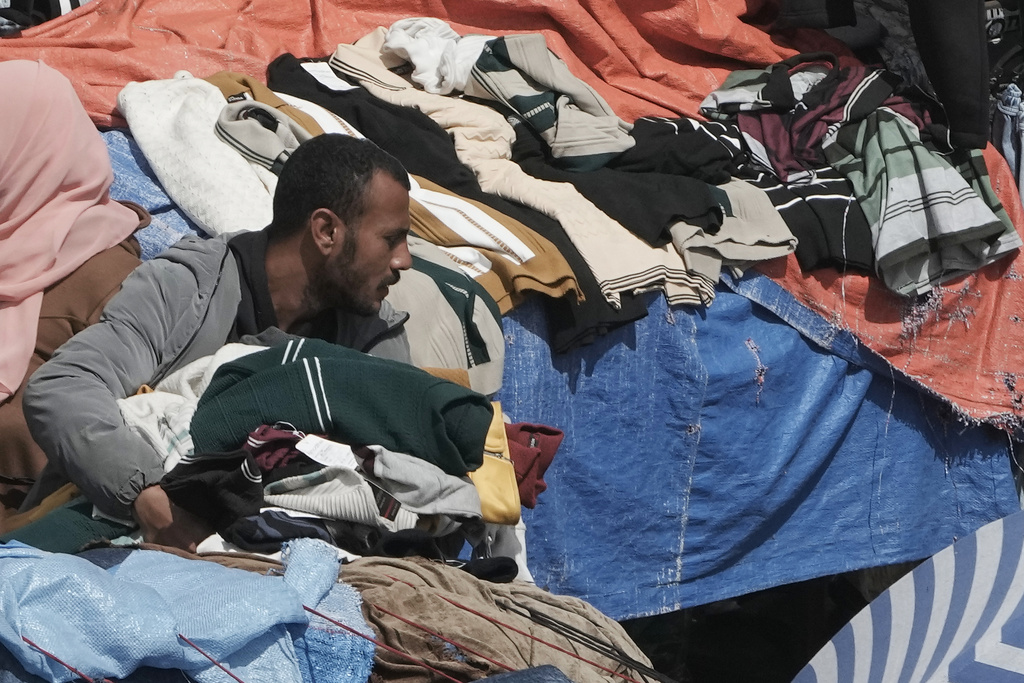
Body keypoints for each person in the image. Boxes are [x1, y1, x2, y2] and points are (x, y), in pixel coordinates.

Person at [23, 133, 414, 551]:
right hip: (107, 529)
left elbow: (403, 477)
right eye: (391, 239)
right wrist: (149, 499)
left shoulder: (375, 341)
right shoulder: (187, 289)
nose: (404, 260)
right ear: (325, 231)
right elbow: (63, 388)